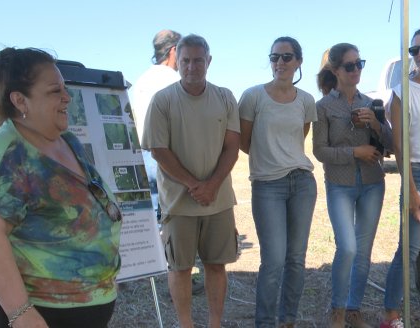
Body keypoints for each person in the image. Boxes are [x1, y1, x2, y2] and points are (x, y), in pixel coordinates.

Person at [0, 47, 122, 328]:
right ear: (20, 101)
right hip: (35, 313)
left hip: (81, 305)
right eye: (54, 91)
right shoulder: (6, 153)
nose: (67, 97)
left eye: (64, 88)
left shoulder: (67, 140)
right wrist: (21, 314)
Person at [141, 34, 240, 328]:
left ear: (208, 62)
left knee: (216, 265)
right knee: (180, 267)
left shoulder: (225, 97)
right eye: (186, 60)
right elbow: (158, 150)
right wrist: (194, 185)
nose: (192, 67)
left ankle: (215, 323)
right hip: (178, 202)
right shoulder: (162, 100)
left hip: (218, 200)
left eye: (198, 60)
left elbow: (232, 147)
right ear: (177, 61)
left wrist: (212, 185)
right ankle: (185, 324)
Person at [239, 36, 317, 328]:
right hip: (267, 185)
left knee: (296, 258)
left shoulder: (307, 100)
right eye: (274, 57)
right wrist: (270, 158)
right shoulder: (252, 96)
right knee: (273, 261)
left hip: (302, 183)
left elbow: (301, 137)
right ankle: (265, 323)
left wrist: (283, 157)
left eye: (286, 57)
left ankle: (288, 320)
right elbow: (245, 142)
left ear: (298, 62)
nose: (279, 63)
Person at [313, 43, 392, 328]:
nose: (356, 70)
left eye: (360, 64)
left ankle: (353, 309)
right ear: (335, 70)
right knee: (347, 247)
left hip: (373, 183)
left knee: (364, 249)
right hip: (339, 184)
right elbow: (320, 151)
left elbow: (391, 145)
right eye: (349, 65)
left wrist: (376, 124)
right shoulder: (322, 107)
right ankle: (337, 308)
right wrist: (354, 153)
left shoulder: (371, 103)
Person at [381, 28, 420, 328]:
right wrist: (413, 188)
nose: (418, 53)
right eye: (413, 49)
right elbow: (399, 145)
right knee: (411, 247)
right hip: (418, 170)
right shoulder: (403, 91)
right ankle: (391, 314)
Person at [132, 29, 181, 220]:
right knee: (173, 215)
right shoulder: (174, 80)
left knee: (152, 218)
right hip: (167, 156)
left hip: (144, 155)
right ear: (174, 50)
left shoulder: (142, 80)